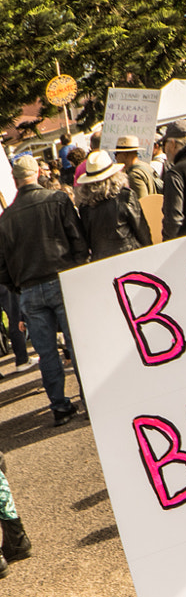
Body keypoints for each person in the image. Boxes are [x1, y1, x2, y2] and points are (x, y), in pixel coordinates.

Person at [0, 154, 87, 420]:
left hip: (29, 288)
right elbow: (78, 241)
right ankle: (89, 398)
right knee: (77, 345)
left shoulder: (6, 219)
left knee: (47, 352)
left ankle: (59, 406)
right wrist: (77, 267)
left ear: (15, 181)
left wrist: (18, 287)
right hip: (61, 278)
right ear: (37, 172)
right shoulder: (57, 200)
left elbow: (2, 267)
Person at [74, 148, 152, 258]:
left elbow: (88, 239)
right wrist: (149, 251)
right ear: (114, 174)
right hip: (130, 255)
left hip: (101, 260)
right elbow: (141, 230)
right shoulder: (125, 196)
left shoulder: (85, 207)